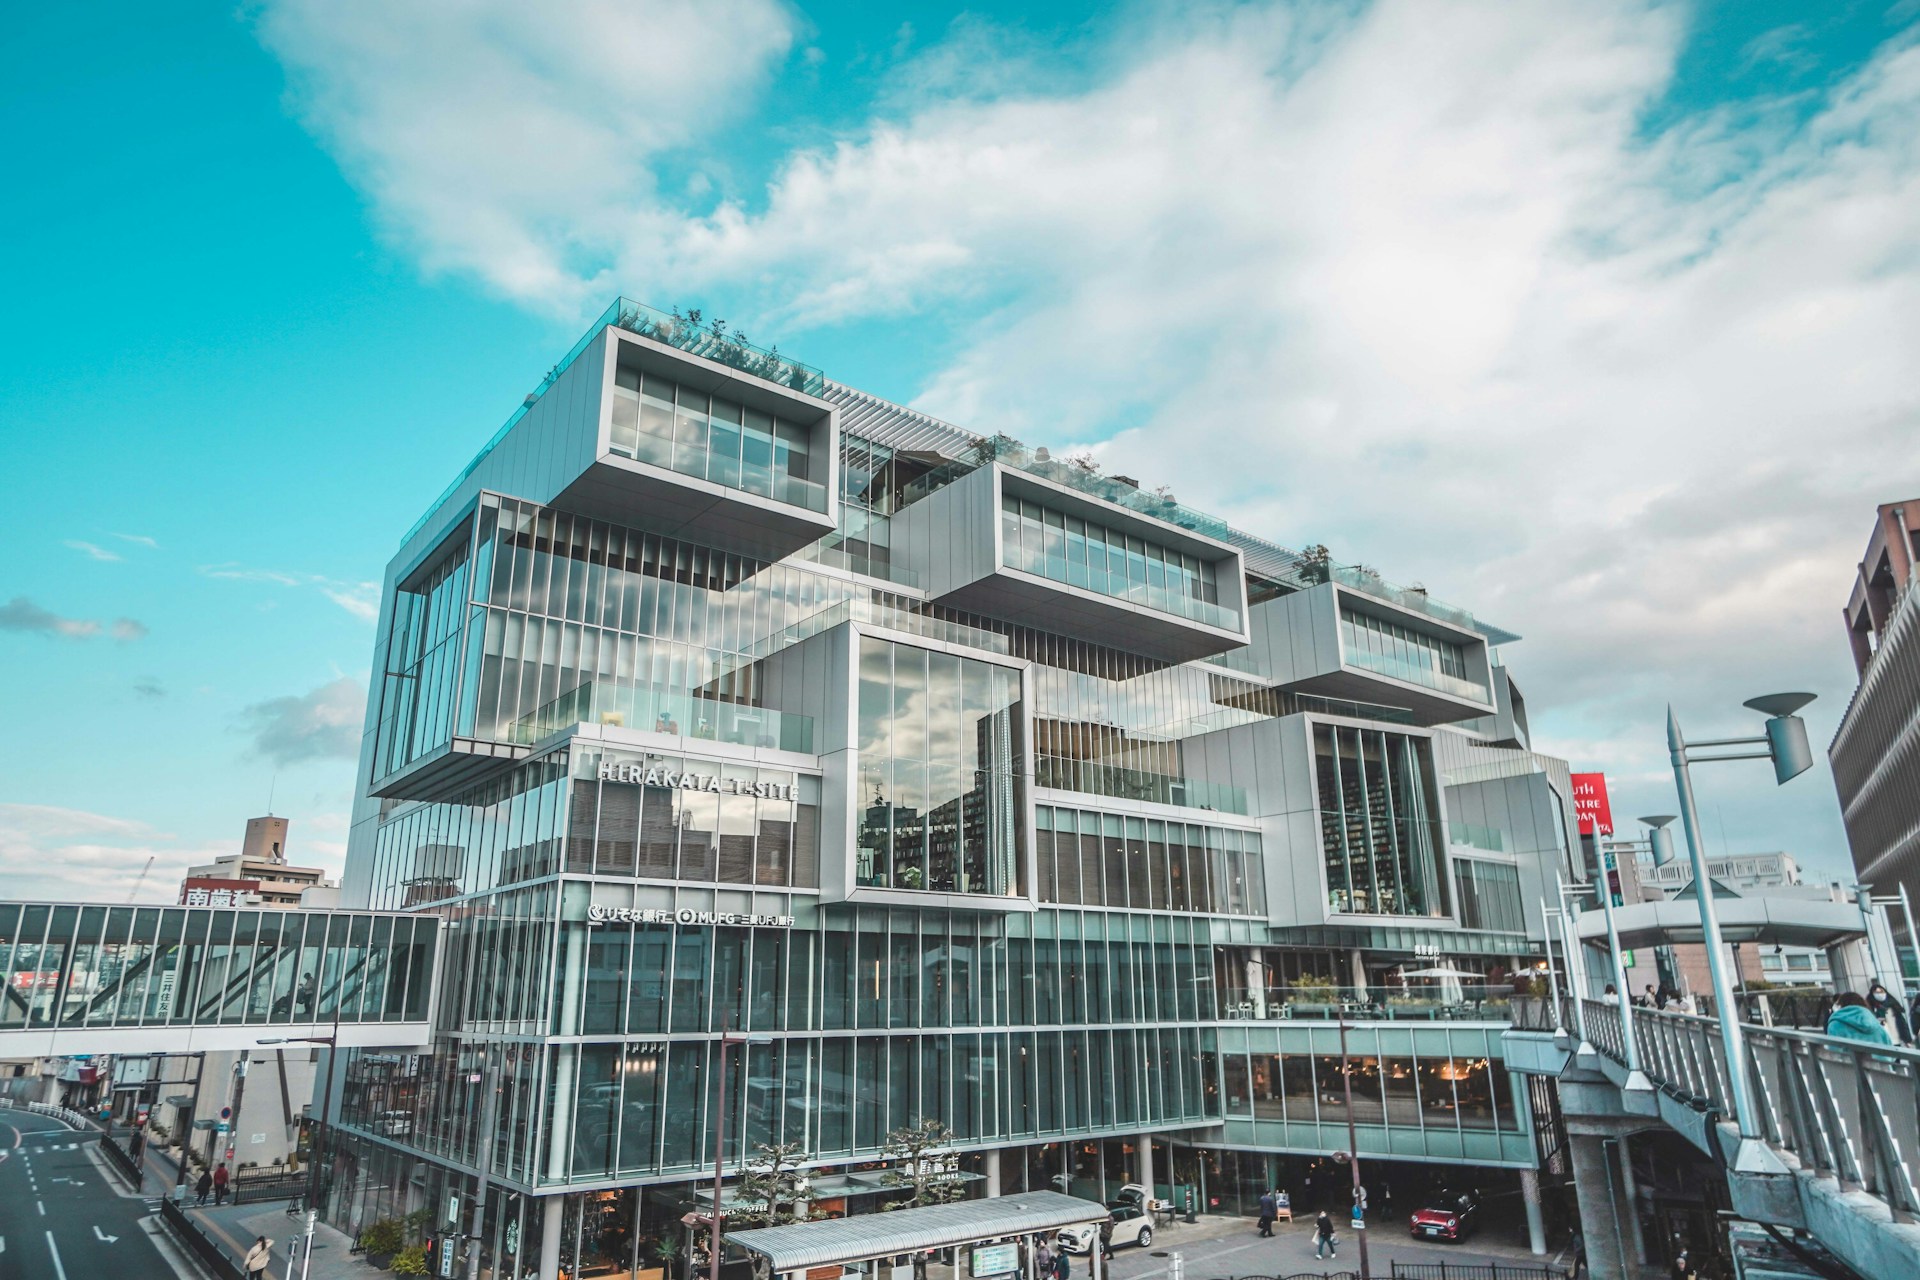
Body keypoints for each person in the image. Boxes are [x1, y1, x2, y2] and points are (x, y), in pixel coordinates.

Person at [1828, 991, 1894, 1046]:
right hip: (1882, 1061)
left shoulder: (1835, 1025)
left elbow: (1835, 1051)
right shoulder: (1873, 1021)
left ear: (1841, 1005)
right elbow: (1889, 1045)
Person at [1866, 981, 1914, 1045]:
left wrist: (1907, 1039)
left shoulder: (1893, 1006)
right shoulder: (1871, 1008)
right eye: (1876, 992)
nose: (1880, 994)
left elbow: (1902, 1024)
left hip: (1896, 1038)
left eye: (1881, 992)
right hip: (1881, 1040)